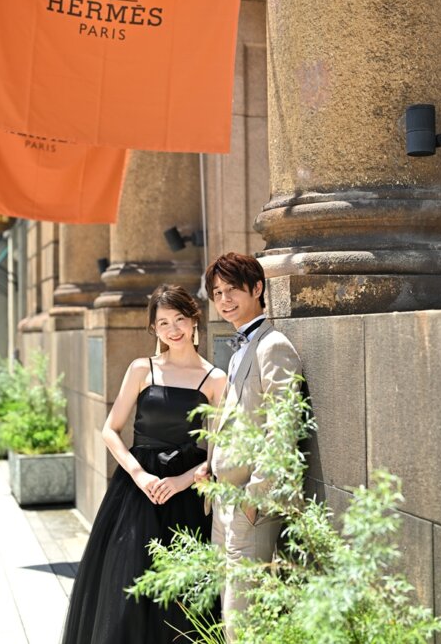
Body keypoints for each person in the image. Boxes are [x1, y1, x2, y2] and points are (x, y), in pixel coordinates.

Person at [61, 284, 226, 644]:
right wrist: (139, 474)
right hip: (137, 491)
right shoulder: (141, 369)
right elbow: (110, 430)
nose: (173, 329)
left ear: (194, 320)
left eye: (179, 319)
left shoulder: (215, 379)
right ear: (154, 328)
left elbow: (219, 448)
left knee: (181, 594)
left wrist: (182, 481)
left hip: (183, 493)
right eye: (163, 323)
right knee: (128, 586)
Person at [199, 252, 302, 641]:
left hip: (249, 503)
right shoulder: (241, 345)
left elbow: (284, 425)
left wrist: (254, 497)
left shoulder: (272, 345)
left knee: (242, 620)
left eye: (232, 290)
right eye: (217, 293)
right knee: (228, 610)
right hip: (224, 500)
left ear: (257, 288)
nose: (224, 300)